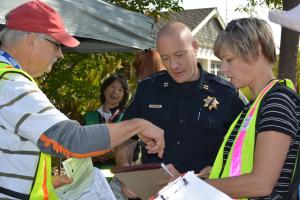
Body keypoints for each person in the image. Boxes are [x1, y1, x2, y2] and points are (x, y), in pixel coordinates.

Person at [0, 1, 165, 199]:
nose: (60, 54)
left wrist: (46, 181)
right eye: (57, 44)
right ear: (32, 39)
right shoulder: (13, 84)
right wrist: (138, 125)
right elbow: (73, 140)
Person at [166, 17, 300, 200]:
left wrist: (190, 187)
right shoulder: (255, 105)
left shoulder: (277, 102)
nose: (223, 69)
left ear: (256, 50)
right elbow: (247, 164)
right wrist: (215, 172)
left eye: (228, 59)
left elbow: (261, 184)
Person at [116, 21, 247, 199]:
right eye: (166, 59)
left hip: (203, 194)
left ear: (194, 47)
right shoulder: (148, 90)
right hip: (154, 194)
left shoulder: (226, 95)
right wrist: (127, 172)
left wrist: (221, 170)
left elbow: (244, 149)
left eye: (179, 55)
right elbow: (125, 138)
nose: (174, 65)